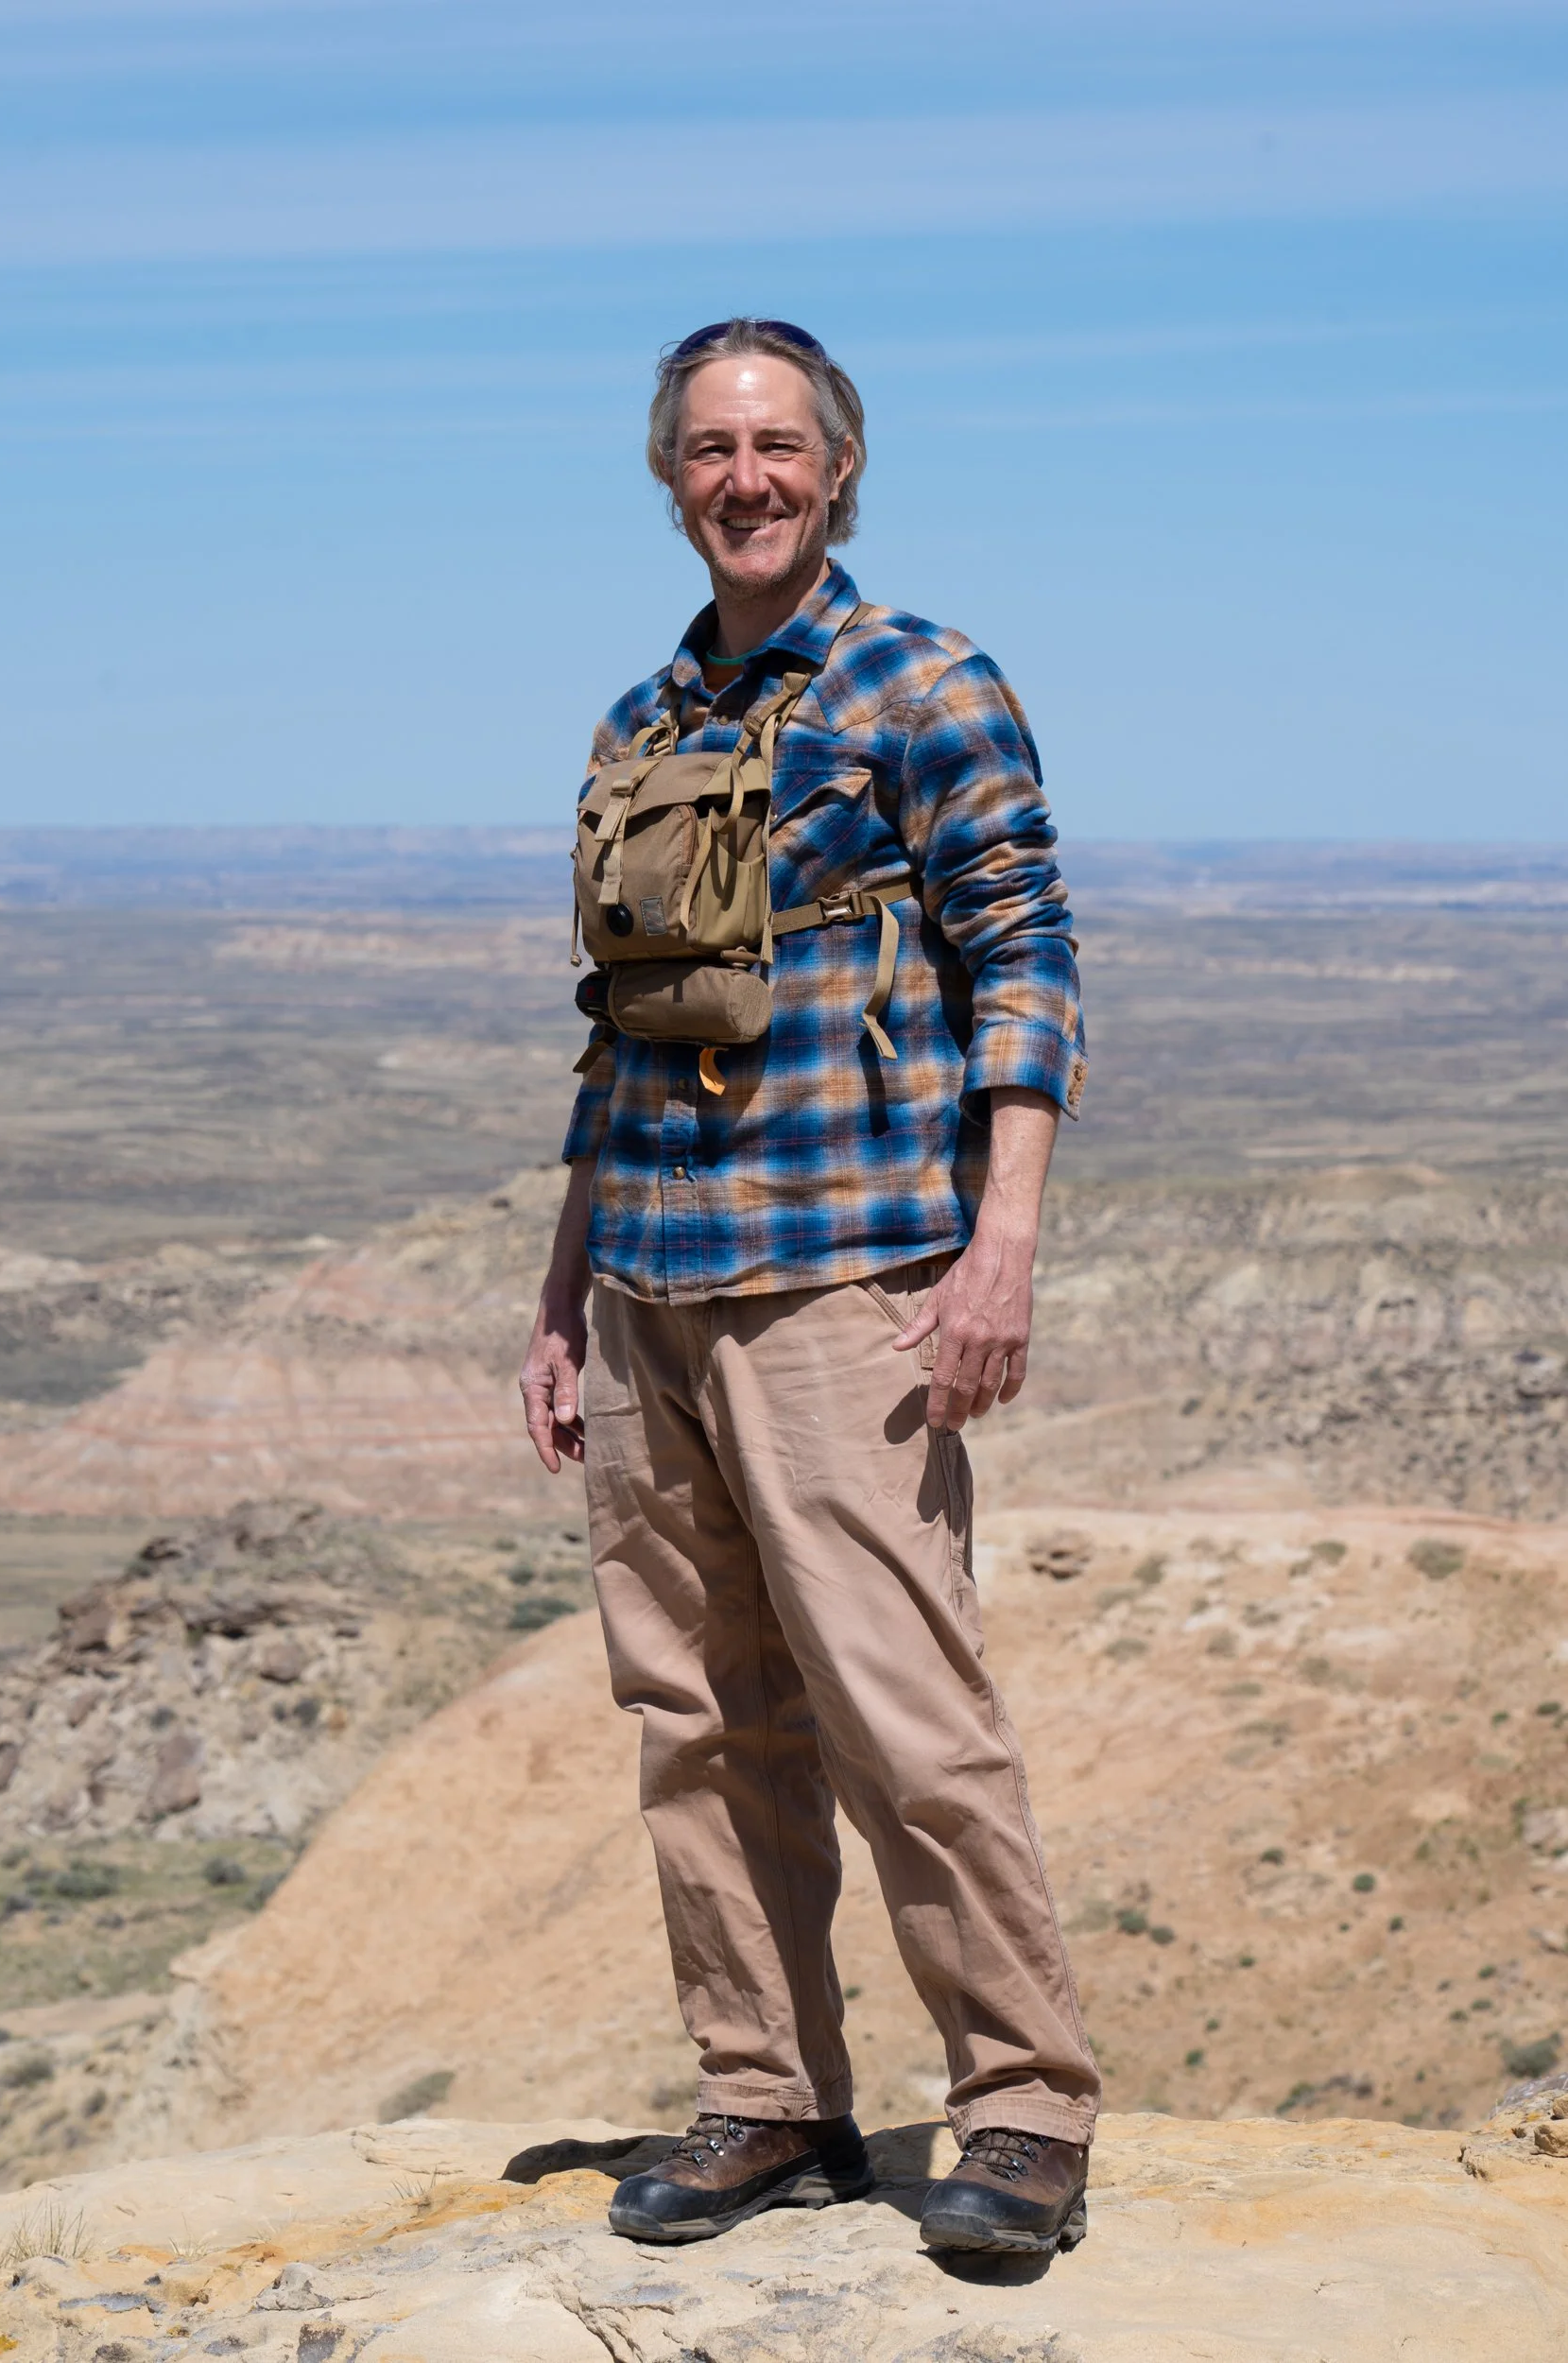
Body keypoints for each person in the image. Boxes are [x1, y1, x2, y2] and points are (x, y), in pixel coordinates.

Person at [519, 317, 1098, 2258]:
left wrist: (1001, 1239)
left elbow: (1024, 954)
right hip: (649, 1285)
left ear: (838, 470)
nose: (744, 477)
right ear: (667, 475)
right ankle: (765, 2096)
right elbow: (615, 1031)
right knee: (697, 1717)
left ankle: (1019, 2109)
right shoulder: (639, 720)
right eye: (710, 447)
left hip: (847, 1276)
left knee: (901, 1711)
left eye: (777, 445)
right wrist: (558, 1295)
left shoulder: (921, 679)